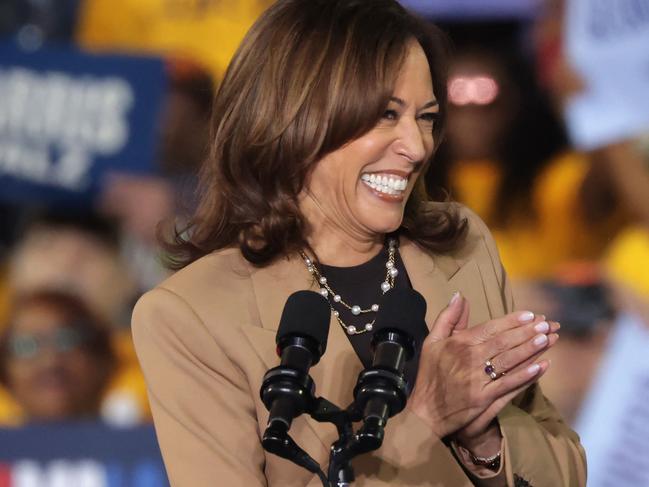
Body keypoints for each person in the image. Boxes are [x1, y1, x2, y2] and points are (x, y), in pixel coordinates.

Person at [132, 1, 586, 485]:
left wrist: (483, 439)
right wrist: (425, 419)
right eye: (387, 115)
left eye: (426, 117)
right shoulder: (188, 315)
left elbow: (566, 472)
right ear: (297, 117)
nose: (417, 146)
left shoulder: (461, 244)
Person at [0, 290, 116, 422]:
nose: (50, 362)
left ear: (102, 360)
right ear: (6, 371)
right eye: (26, 346)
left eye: (67, 340)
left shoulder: (139, 439)